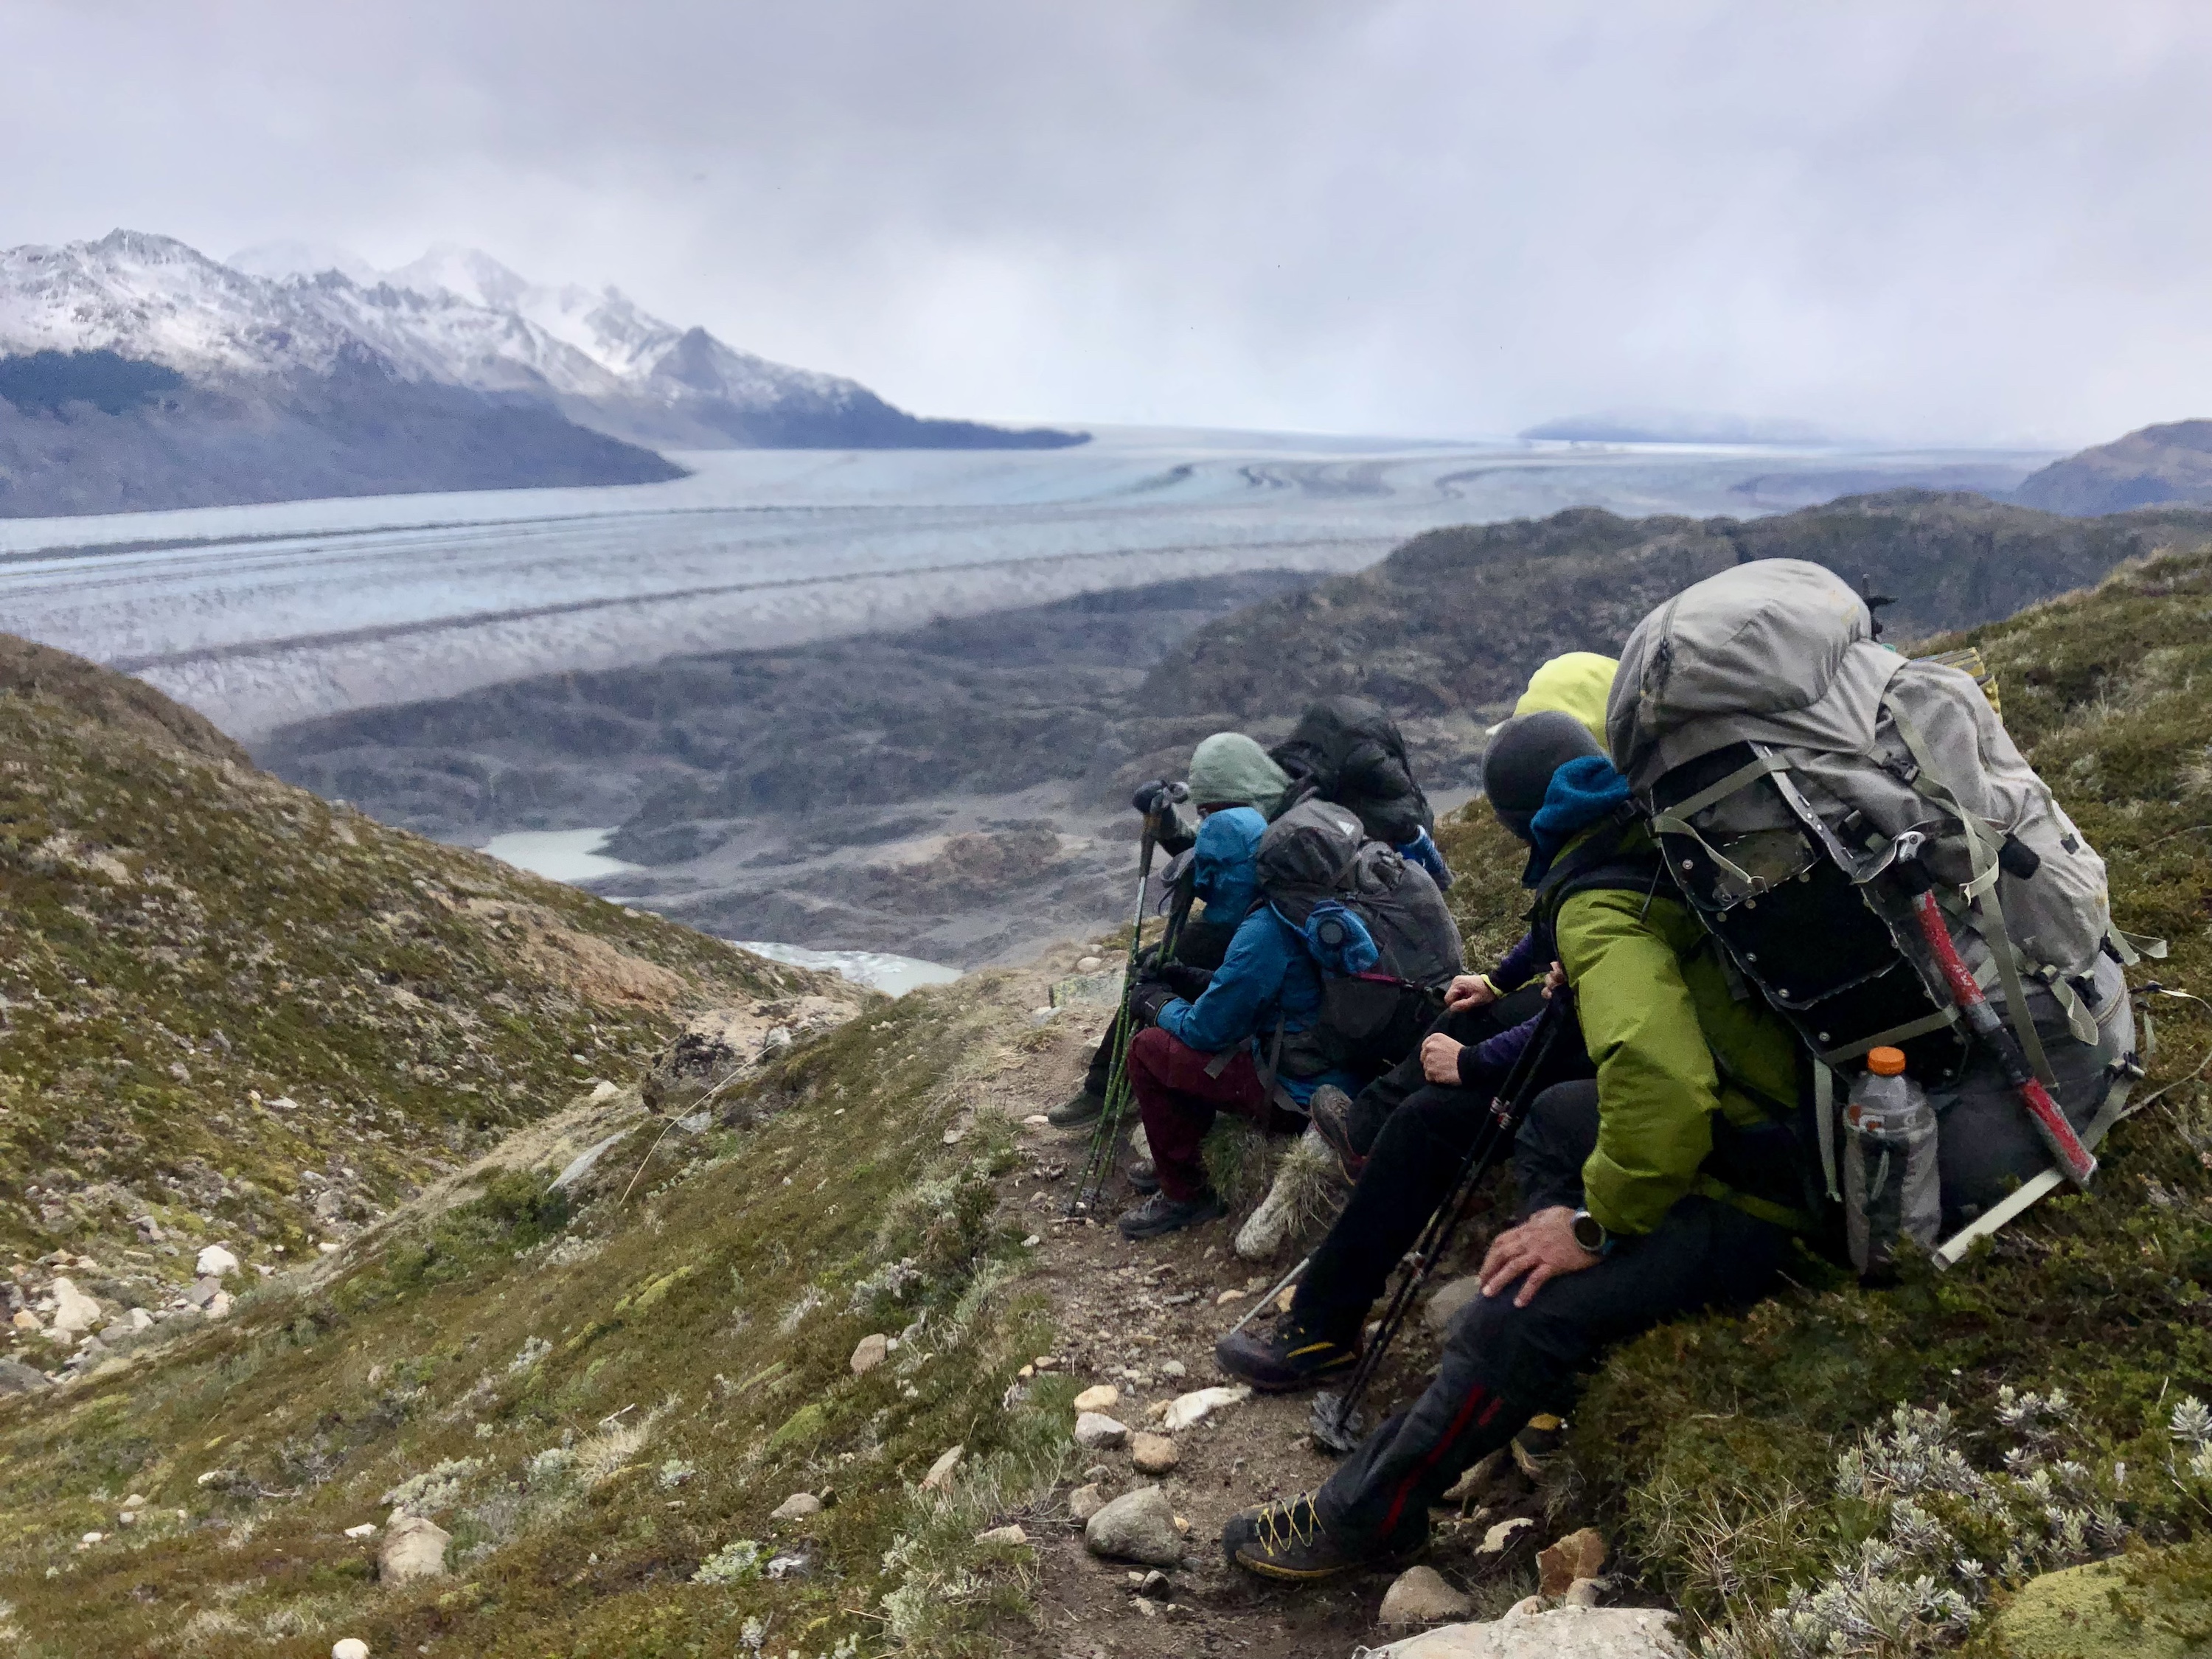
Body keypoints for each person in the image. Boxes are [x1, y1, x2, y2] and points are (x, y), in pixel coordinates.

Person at [1220, 712, 1812, 1579]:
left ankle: (1367, 1515)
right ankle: (1497, 1328)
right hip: (1802, 1121)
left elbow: (1663, 1085)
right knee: (1557, 1117)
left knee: (1514, 1317)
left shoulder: (1603, 892)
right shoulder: (1656, 828)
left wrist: (1592, 1228)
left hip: (1769, 1184)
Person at [1115, 806, 1361, 1239]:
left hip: (1302, 1096)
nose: (1204, 884)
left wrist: (1153, 1003)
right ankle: (1184, 1152)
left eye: (1210, 870)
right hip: (1348, 1072)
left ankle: (1184, 1195)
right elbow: (1266, 991)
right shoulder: (1310, 898)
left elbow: (1205, 1031)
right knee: (1187, 1038)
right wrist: (1185, 977)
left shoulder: (1265, 930)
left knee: (1149, 1049)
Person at [1049, 732, 1293, 1130]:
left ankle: (1106, 1088)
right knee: (1169, 963)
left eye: (1211, 808)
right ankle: (1122, 1072)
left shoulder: (1271, 822)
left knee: (1156, 968)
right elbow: (1200, 847)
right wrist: (1164, 821)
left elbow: (1220, 884)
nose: (1208, 814)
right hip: (1257, 923)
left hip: (1263, 927)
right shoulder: (1261, 802)